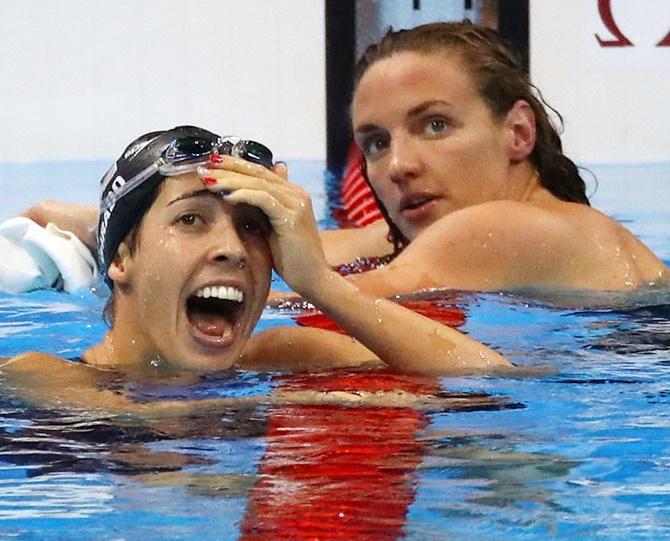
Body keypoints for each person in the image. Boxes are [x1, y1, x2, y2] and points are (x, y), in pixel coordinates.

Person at [22, 22, 666, 301]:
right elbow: (329, 248)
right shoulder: (508, 232)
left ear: (518, 131)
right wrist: (109, 221)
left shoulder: (502, 227)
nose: (397, 166)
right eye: (376, 141)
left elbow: (290, 304)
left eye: (434, 125)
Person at [1, 126, 511, 414]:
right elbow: (151, 435)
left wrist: (319, 283)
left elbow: (497, 388)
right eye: (192, 219)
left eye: (252, 226)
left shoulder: (281, 355)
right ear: (121, 258)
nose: (233, 248)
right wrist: (305, 402)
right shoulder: (39, 377)